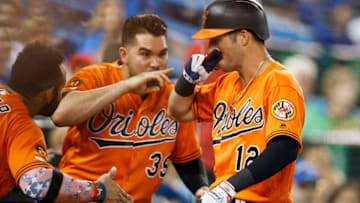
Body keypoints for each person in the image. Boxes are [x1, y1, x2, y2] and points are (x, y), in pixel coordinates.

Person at [52, 14, 209, 202]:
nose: (155, 63)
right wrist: (126, 86)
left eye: (162, 54)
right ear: (124, 54)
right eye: (145, 54)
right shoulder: (95, 76)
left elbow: (187, 158)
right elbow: (61, 115)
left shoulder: (172, 97)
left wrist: (201, 188)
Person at [168, 1, 305, 202]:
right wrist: (187, 81)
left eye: (216, 41)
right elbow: (177, 110)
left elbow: (284, 148)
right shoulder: (226, 84)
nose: (209, 50)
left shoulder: (279, 80)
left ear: (243, 37)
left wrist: (230, 187)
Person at [0, 42, 132, 202]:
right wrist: (99, 190)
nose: (62, 96)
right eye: (61, 89)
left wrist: (31, 160)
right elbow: (38, 184)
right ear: (48, 94)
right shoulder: (22, 126)